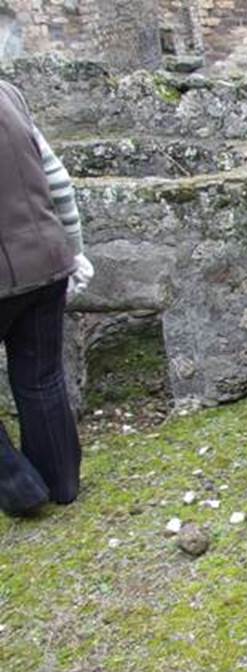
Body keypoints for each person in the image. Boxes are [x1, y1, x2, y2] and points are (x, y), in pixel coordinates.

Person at [0, 79, 93, 516]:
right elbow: (58, 180)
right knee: (41, 376)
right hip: (46, 261)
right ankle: (61, 481)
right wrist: (73, 252)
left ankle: (19, 487)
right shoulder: (9, 95)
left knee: (40, 375)